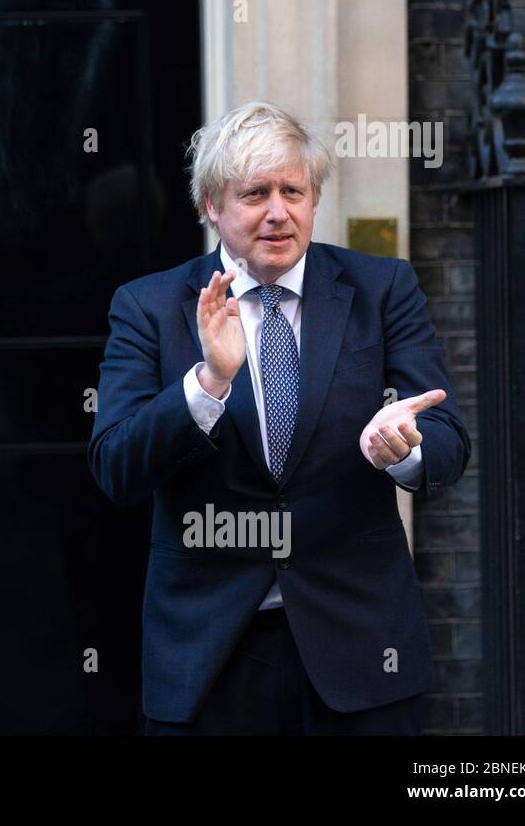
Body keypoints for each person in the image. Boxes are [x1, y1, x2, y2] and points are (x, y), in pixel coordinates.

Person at [88, 101, 470, 735]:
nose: (277, 212)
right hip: (210, 652)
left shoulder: (382, 289)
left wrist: (404, 447)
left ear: (314, 199)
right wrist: (207, 384)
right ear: (212, 205)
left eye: (293, 190)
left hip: (360, 645)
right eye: (254, 193)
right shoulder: (150, 307)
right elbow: (116, 466)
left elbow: (448, 439)